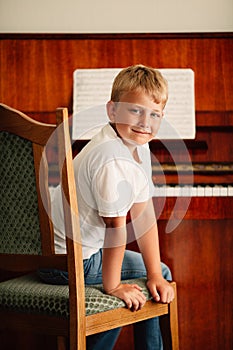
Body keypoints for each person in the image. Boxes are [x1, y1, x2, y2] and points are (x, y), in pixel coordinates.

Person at [39, 64, 174, 349]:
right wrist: (113, 287)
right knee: (150, 279)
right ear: (112, 110)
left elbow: (143, 212)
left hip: (66, 254)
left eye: (154, 114)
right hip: (68, 263)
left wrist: (152, 275)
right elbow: (115, 229)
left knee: (155, 274)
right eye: (135, 110)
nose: (145, 122)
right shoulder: (111, 158)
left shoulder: (136, 142)